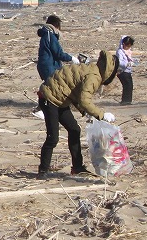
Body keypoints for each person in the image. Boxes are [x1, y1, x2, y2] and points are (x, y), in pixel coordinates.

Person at [37, 49, 118, 178]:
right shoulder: (94, 77)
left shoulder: (92, 69)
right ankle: (43, 170)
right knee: (53, 137)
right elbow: (84, 100)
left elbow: (74, 90)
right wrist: (101, 115)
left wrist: (85, 112)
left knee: (74, 130)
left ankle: (77, 167)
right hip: (49, 98)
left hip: (60, 99)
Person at [37, 15, 79, 81]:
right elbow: (58, 53)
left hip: (45, 66)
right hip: (49, 67)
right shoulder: (50, 36)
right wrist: (71, 58)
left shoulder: (46, 34)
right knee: (53, 87)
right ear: (56, 26)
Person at [116, 36, 136, 105]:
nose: (128, 47)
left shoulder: (128, 51)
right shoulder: (120, 52)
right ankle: (125, 101)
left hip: (127, 71)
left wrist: (134, 61)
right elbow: (119, 62)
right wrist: (127, 64)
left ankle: (127, 101)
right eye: (127, 46)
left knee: (129, 86)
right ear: (123, 44)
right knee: (127, 85)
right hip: (122, 71)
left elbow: (129, 59)